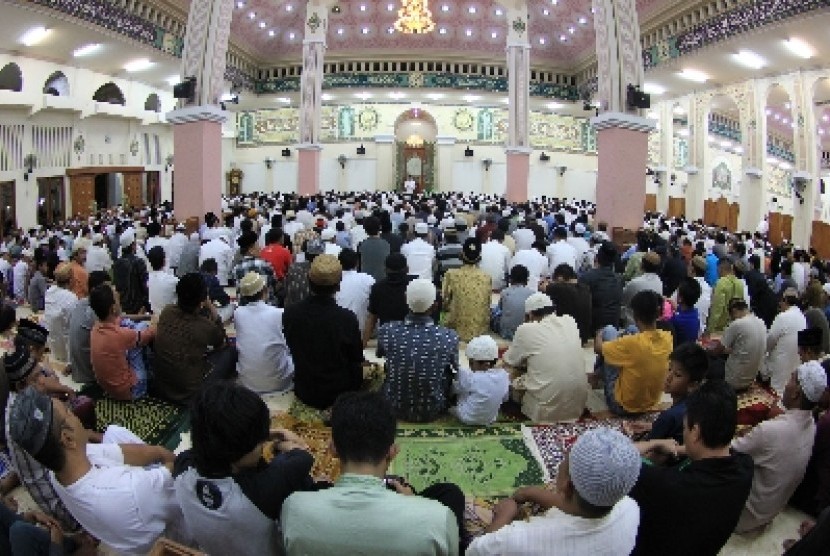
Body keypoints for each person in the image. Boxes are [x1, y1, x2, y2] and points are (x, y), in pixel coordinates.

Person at [282, 391, 465, 555]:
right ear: (392, 451)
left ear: (333, 449)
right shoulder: (437, 518)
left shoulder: (294, 508)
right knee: (450, 492)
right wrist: (416, 502)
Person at [8, 387, 186, 555]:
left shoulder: (59, 473)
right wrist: (172, 460)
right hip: (173, 538)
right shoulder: (130, 490)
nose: (74, 414)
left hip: (130, 522)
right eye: (69, 412)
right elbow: (176, 470)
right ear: (68, 439)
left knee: (114, 433)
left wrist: (159, 452)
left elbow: (127, 453)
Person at [174, 383, 320, 556]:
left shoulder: (182, 466)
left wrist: (262, 434)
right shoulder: (259, 491)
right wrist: (282, 441)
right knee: (309, 484)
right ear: (238, 453)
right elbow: (303, 458)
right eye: (258, 444)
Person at [468, 428, 641, 556]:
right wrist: (533, 493)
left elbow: (476, 551)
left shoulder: (518, 540)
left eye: (564, 463)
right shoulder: (630, 509)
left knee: (470, 508)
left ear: (567, 486)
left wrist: (503, 516)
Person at [628, 380, 754, 555]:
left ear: (695, 432)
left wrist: (652, 443)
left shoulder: (665, 484)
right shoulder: (746, 467)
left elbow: (614, 457)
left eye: (685, 428)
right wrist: (677, 449)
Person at [732, 361, 826, 533]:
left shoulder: (770, 430)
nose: (786, 384)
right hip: (769, 513)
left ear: (797, 392)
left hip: (742, 516)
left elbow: (723, 452)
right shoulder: (811, 425)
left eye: (791, 379)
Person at [283, 254, 364, 410]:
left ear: (309, 281)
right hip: (340, 392)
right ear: (339, 285)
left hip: (305, 390)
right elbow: (356, 358)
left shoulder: (290, 313)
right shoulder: (346, 318)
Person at [378, 279, 459, 422]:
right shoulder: (448, 336)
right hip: (433, 409)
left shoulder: (387, 330)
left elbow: (381, 354)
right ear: (435, 306)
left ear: (405, 300)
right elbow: (455, 367)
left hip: (393, 406)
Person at [504, 293, 587, 421]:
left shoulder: (526, 329)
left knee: (507, 374)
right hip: (577, 407)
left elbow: (510, 360)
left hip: (544, 411)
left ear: (530, 315)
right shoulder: (570, 321)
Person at [153, 273, 230, 404]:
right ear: (202, 299)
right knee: (230, 353)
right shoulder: (204, 326)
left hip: (163, 387)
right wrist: (212, 308)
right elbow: (222, 343)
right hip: (190, 394)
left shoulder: (167, 311)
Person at [594, 290, 673, 416]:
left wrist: (599, 333)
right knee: (632, 329)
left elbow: (598, 348)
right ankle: (600, 371)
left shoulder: (632, 343)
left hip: (622, 405)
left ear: (635, 315)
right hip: (651, 403)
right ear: (658, 313)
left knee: (609, 330)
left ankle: (597, 375)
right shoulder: (667, 338)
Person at [629, 342, 708, 444]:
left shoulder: (668, 417)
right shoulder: (698, 405)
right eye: (669, 369)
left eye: (677, 375)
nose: (668, 377)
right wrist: (652, 426)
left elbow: (647, 448)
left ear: (692, 385)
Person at [89, 283, 156, 400]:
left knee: (131, 325)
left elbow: (121, 319)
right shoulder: (120, 335)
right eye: (117, 299)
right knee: (142, 328)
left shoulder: (96, 328)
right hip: (131, 391)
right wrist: (155, 321)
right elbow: (149, 334)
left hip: (108, 388)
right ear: (113, 308)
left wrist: (144, 317)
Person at [234, 272, 294, 394]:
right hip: (279, 382)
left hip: (247, 383)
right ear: (265, 291)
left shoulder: (238, 313)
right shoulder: (279, 313)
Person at [708, 297, 768, 390]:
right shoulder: (761, 322)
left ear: (734, 310)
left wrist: (707, 350)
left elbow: (717, 351)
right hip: (751, 379)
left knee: (708, 360)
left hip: (732, 380)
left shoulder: (737, 324)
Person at [449, 336, 509, 426]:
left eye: (471, 363)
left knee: (459, 388)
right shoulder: (504, 375)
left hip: (467, 418)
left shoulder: (472, 377)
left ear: (485, 364)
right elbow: (505, 398)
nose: (470, 366)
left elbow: (453, 390)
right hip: (491, 418)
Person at [442, 238, 492, 342]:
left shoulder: (451, 274)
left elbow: (444, 302)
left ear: (461, 255)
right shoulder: (486, 277)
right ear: (479, 257)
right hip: (480, 330)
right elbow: (487, 303)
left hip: (456, 329)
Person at [68, 270, 111, 384]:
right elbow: (116, 332)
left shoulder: (81, 303)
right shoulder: (93, 311)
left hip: (78, 369)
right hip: (89, 375)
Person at [764, 287, 808, 395]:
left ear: (785, 301)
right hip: (795, 365)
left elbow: (768, 342)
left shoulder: (782, 317)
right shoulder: (802, 317)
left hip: (780, 367)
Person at [362, 253, 412, 347]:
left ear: (385, 269)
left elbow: (372, 319)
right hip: (409, 340)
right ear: (407, 269)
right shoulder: (413, 286)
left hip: (385, 341)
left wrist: (362, 346)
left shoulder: (377, 288)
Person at [579, 241, 623, 334]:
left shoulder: (587, 277)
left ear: (597, 258)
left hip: (593, 328)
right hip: (614, 327)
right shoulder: (619, 279)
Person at [544, 264, 593, 345]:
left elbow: (543, 287)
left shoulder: (560, 289)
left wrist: (547, 282)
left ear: (560, 278)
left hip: (567, 339)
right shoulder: (585, 288)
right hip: (583, 337)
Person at [42, 263, 77, 363]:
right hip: (66, 348)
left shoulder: (49, 292)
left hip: (52, 343)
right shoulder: (71, 297)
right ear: (70, 280)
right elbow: (73, 325)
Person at [335, 248, 376, 335]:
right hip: (363, 332)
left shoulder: (333, 281)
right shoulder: (368, 279)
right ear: (357, 263)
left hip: (338, 332)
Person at [233, 230, 277, 306]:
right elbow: (273, 284)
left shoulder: (236, 269)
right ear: (251, 250)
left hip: (245, 308)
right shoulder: (265, 265)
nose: (260, 248)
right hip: (267, 306)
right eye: (257, 246)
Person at [621, 251, 663, 327]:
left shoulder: (635, 283)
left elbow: (623, 300)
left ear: (642, 265)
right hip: (651, 323)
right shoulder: (659, 282)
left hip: (634, 324)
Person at [113, 229, 149, 314]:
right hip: (138, 308)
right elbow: (145, 287)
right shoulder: (138, 262)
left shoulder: (117, 263)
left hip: (123, 307)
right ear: (132, 245)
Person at [707, 257, 745, 334]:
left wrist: (709, 330)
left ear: (720, 269)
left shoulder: (720, 283)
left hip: (720, 329)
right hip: (734, 327)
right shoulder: (740, 283)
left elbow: (717, 310)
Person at [495, 264, 533, 341]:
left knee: (494, 314)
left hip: (505, 333)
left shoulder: (505, 292)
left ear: (510, 279)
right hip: (525, 334)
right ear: (527, 280)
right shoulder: (532, 294)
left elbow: (500, 310)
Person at [667, 277, 701, 345]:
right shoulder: (695, 313)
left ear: (680, 299)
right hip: (689, 349)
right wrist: (676, 307)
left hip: (678, 352)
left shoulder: (676, 320)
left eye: (677, 292)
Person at [147, 245, 179, 314]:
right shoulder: (172, 280)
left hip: (155, 315)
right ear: (164, 261)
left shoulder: (148, 279)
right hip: (170, 318)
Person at [358, 216, 391, 281]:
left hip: (365, 280)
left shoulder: (361, 245)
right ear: (380, 227)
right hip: (382, 280)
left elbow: (359, 265)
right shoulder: (386, 244)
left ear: (365, 230)